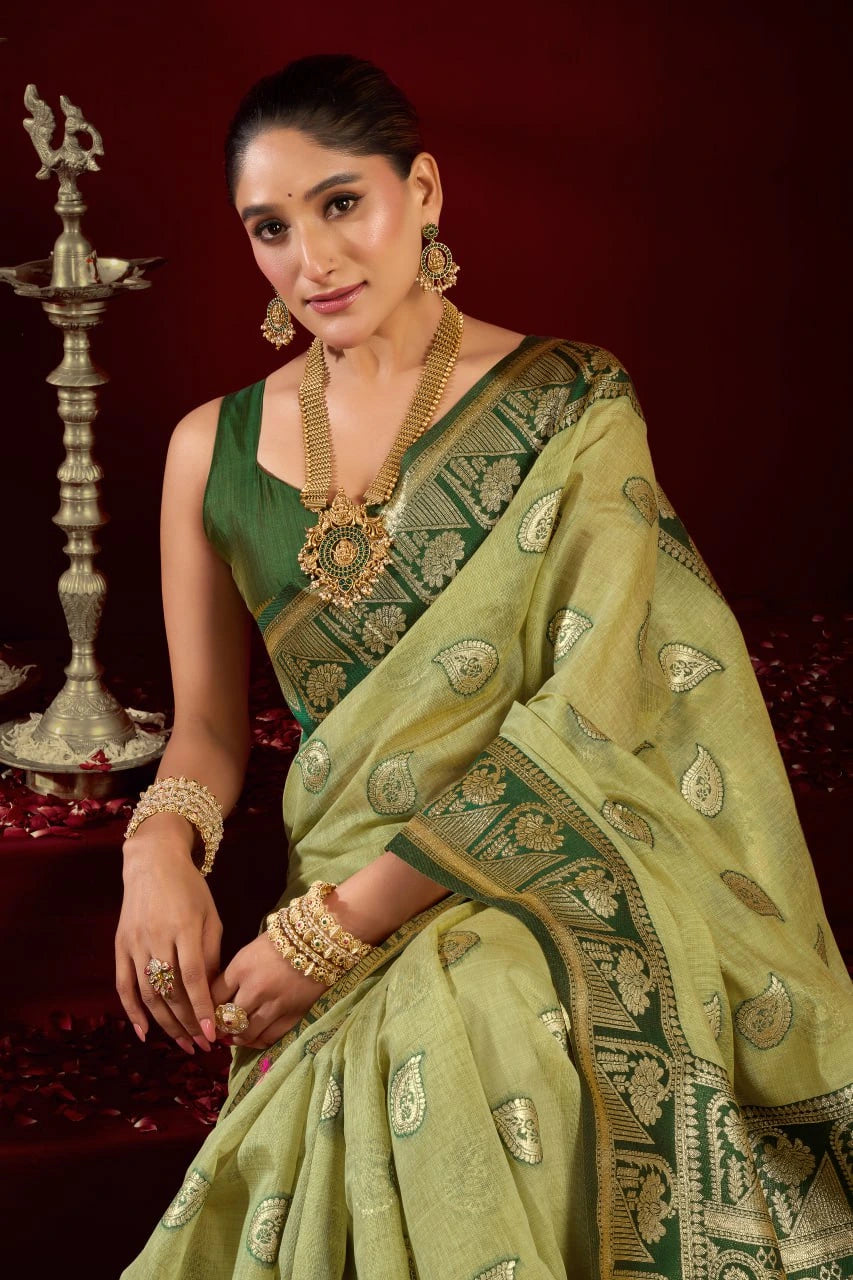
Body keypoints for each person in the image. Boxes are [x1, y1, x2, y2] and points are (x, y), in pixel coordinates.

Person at [116, 53, 853, 1280]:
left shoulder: (570, 404)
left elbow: (598, 706)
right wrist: (158, 847)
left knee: (484, 1001)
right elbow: (206, 727)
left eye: (341, 202)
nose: (312, 260)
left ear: (426, 192)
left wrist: (339, 931)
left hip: (555, 861)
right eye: (270, 227)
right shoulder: (213, 447)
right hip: (341, 864)